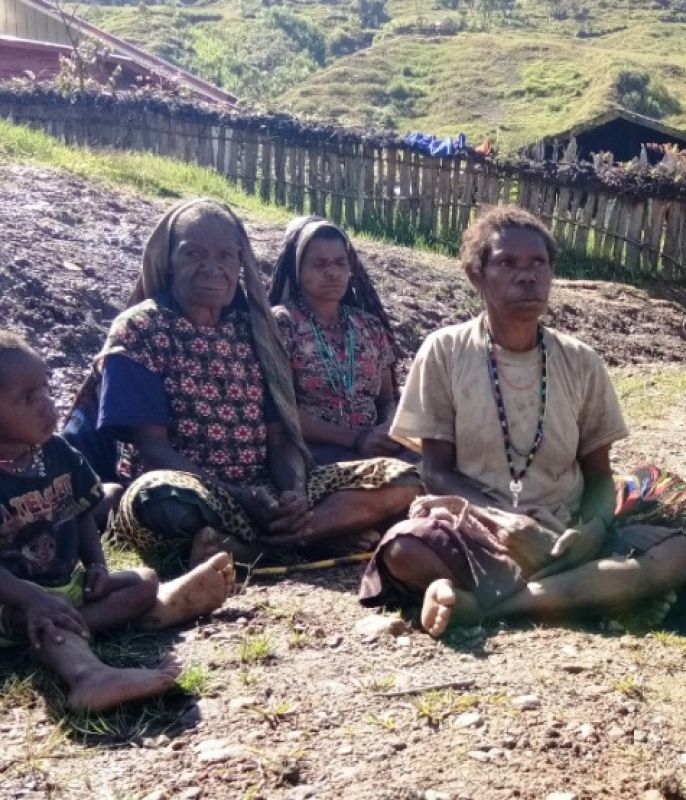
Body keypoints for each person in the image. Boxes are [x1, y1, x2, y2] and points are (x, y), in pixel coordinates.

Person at [360, 206, 686, 636]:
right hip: (475, 527)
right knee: (404, 547)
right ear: (476, 275)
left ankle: (488, 606)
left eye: (539, 263)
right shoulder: (444, 351)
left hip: (564, 533)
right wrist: (504, 521)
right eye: (507, 263)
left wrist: (592, 529)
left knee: (681, 553)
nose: (527, 275)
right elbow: (437, 471)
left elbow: (598, 477)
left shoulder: (581, 361)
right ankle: (595, 594)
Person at [97, 199, 421, 574]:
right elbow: (153, 449)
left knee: (404, 478)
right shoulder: (140, 330)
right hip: (196, 490)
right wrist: (235, 495)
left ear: (240, 263)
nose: (212, 269)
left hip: (264, 489)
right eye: (194, 254)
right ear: (169, 259)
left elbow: (280, 437)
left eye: (225, 256)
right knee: (161, 499)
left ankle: (263, 543)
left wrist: (293, 493)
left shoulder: (256, 331)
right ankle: (314, 535)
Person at [0, 332, 235, 712]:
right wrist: (31, 600)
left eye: (44, 389)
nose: (46, 405)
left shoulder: (57, 452)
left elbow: (79, 514)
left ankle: (131, 612)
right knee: (39, 619)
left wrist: (96, 566)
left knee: (142, 581)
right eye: (27, 398)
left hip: (62, 587)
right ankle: (87, 676)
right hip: (11, 600)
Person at [268, 216, 413, 465]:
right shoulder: (283, 323)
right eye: (319, 264)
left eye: (339, 262)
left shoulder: (369, 326)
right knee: (397, 483)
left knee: (438, 466)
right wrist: (355, 439)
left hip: (373, 445)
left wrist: (386, 429)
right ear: (298, 270)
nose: (332, 272)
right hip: (314, 451)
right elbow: (282, 410)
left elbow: (387, 398)